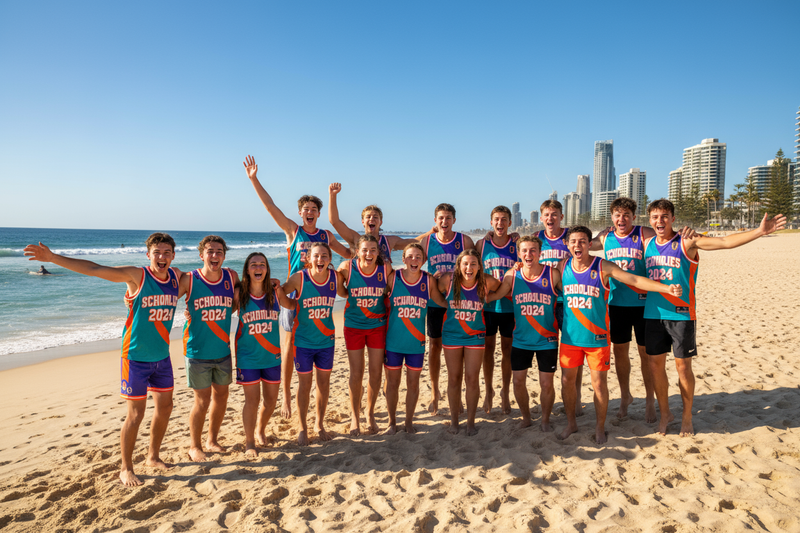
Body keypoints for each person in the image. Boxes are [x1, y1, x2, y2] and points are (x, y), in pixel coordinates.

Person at [23, 233, 182, 486]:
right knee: (136, 414)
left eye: (166, 253)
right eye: (157, 252)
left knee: (166, 408)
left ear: (173, 256)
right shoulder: (136, 276)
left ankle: (153, 456)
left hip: (162, 357)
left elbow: (206, 283)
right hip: (135, 357)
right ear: (148, 255)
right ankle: (126, 468)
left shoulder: (177, 278)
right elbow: (95, 269)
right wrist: (52, 258)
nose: (161, 257)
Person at [644, 199, 786, 437]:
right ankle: (666, 413)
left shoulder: (687, 241)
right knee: (654, 367)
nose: (660, 221)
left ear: (673, 219)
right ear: (649, 220)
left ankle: (687, 417)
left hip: (681, 315)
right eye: (655, 217)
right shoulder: (647, 244)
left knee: (682, 368)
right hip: (652, 314)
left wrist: (760, 231)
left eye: (665, 216)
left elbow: (725, 242)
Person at [244, 155, 350, 421]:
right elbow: (270, 207)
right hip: (294, 293)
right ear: (300, 212)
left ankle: (309, 401)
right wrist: (254, 179)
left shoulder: (325, 236)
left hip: (320, 296)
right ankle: (288, 397)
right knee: (290, 345)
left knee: (314, 345)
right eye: (306, 209)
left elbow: (349, 252)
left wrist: (361, 263)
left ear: (318, 212)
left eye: (315, 208)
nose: (311, 212)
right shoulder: (293, 230)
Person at [557, 226, 682, 444]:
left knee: (599, 385)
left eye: (583, 241)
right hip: (570, 338)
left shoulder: (602, 266)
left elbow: (633, 280)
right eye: (573, 241)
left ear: (590, 244)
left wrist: (664, 288)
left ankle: (599, 427)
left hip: (597, 339)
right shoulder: (561, 266)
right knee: (567, 382)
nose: (578, 245)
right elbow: (535, 276)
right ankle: (571, 423)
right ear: (568, 245)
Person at [589, 197, 696, 421]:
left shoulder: (643, 233)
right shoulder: (605, 237)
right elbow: (578, 244)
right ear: (611, 217)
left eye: (626, 215)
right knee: (620, 354)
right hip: (616, 304)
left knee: (646, 356)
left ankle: (649, 399)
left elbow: (666, 232)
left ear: (634, 217)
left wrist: (686, 231)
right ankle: (626, 395)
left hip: (644, 305)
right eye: (617, 215)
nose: (622, 219)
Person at [487, 236, 560, 431]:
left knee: (546, 384)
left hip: (547, 339)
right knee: (518, 382)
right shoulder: (512, 275)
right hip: (521, 339)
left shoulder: (552, 274)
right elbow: (497, 295)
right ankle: (526, 417)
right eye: (525, 251)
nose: (529, 254)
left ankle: (545, 419)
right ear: (518, 254)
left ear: (540, 252)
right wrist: (468, 296)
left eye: (533, 250)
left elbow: (569, 295)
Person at [181, 235, 239, 462]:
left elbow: (244, 295)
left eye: (219, 252)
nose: (214, 256)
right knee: (202, 401)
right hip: (197, 351)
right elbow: (165, 297)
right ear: (201, 255)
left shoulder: (231, 276)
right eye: (210, 251)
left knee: (222, 397)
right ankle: (195, 446)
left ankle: (212, 440)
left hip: (222, 350)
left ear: (224, 255)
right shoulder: (189, 279)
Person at [233, 252, 294, 457]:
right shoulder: (239, 293)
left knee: (270, 402)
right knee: (252, 401)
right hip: (247, 357)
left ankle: (260, 428)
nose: (258, 267)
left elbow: (292, 305)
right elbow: (221, 309)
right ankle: (250, 442)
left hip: (271, 357)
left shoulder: (275, 291)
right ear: (247, 269)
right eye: (253, 264)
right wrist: (189, 314)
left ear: (266, 269)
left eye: (262, 264)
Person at [435, 249, 501, 435]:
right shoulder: (448, 281)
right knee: (454, 378)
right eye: (465, 263)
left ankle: (471, 422)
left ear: (479, 266)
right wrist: (444, 304)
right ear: (459, 266)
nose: (469, 267)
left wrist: (492, 297)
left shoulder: (486, 282)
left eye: (473, 263)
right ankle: (454, 421)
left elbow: (504, 287)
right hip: (452, 335)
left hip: (475, 336)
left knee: (472, 379)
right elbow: (433, 290)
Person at [384, 243, 448, 435]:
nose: (414, 260)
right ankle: (392, 422)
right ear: (403, 259)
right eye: (410, 256)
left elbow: (443, 302)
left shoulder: (428, 282)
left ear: (424, 261)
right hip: (393, 343)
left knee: (413, 384)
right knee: (392, 384)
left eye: (418, 257)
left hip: (416, 345)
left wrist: (465, 306)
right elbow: (376, 296)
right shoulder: (393, 278)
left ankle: (409, 422)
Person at [281, 241, 340, 446]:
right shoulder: (299, 278)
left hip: (326, 341)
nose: (320, 259)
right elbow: (283, 297)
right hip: (303, 342)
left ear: (330, 259)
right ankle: (302, 428)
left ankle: (319, 424)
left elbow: (351, 291)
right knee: (304, 385)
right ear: (307, 258)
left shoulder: (335, 278)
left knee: (323, 384)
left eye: (324, 256)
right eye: (316, 255)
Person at [422, 203, 476, 415]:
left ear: (454, 220)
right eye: (441, 218)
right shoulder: (427, 242)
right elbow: (412, 262)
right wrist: (427, 278)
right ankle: (435, 394)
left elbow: (476, 267)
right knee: (434, 347)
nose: (444, 222)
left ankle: (458, 397)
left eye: (448, 218)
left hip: (459, 302)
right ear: (435, 221)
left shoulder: (464, 241)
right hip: (435, 302)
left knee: (459, 349)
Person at [336, 234, 391, 436]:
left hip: (377, 325)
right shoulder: (346, 268)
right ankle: (354, 417)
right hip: (354, 326)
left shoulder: (385, 269)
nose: (369, 254)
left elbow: (390, 290)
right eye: (365, 250)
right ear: (357, 251)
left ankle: (370, 413)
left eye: (373, 250)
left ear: (378, 252)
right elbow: (339, 289)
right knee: (356, 373)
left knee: (376, 372)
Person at [536, 199, 585, 415]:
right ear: (541, 218)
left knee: (573, 350)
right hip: (543, 303)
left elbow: (594, 243)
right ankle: (551, 397)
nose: (550, 218)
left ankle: (575, 397)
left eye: (554, 214)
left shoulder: (570, 237)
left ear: (561, 217)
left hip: (568, 303)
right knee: (547, 351)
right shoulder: (536, 238)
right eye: (546, 215)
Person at [476, 205, 517, 414]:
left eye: (504, 220)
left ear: (510, 223)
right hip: (488, 306)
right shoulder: (481, 245)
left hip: (511, 307)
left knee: (508, 351)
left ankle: (506, 393)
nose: (500, 223)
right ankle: (489, 391)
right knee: (488, 351)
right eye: (496, 220)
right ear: (491, 222)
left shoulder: (517, 245)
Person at [328, 182, 430, 266]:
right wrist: (333, 195)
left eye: (375, 217)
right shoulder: (356, 239)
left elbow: (416, 241)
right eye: (368, 217)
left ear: (380, 222)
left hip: (383, 290)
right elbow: (335, 221)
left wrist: (432, 232)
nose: (372, 219)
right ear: (363, 221)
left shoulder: (389, 241)